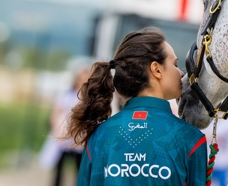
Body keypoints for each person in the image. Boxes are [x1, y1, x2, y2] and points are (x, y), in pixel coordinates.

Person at [65, 27, 208, 185]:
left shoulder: (99, 136)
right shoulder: (191, 139)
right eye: (175, 64)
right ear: (156, 69)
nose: (181, 73)